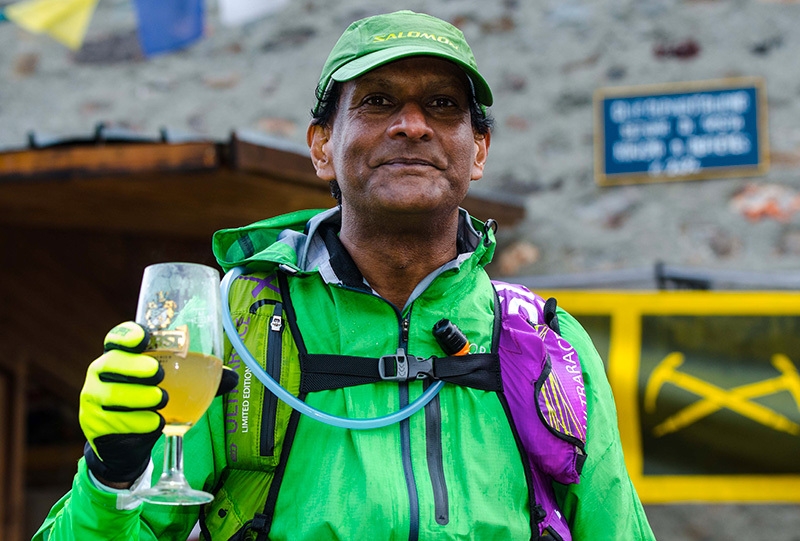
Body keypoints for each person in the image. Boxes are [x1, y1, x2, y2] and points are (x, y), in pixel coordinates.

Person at [34, 10, 655, 541]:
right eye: (377, 101)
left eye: (442, 105)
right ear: (321, 146)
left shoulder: (546, 343)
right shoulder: (234, 327)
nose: (412, 124)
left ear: (479, 151)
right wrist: (110, 477)